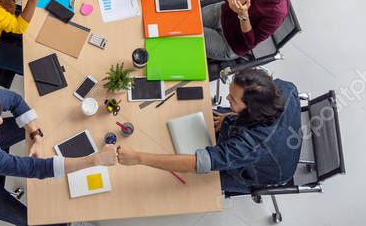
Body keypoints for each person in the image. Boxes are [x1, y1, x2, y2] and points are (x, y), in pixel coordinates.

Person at [0, 88, 117, 226]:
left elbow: (15, 100)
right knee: (28, 219)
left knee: (33, 123)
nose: (0, 121)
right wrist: (95, 160)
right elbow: (36, 168)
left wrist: (35, 135)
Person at [115, 68, 301, 194]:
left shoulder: (250, 146)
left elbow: (198, 162)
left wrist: (139, 158)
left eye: (233, 99)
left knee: (193, 185)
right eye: (230, 92)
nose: (227, 97)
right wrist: (230, 116)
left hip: (264, 171)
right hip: (272, 138)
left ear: (251, 109)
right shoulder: (285, 89)